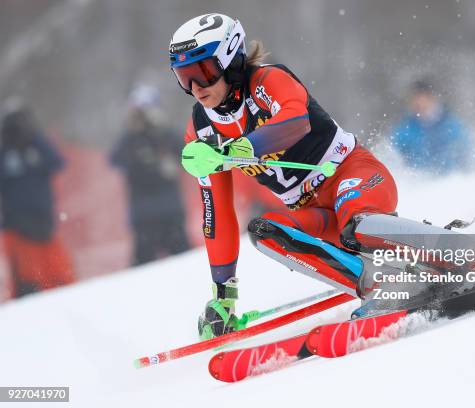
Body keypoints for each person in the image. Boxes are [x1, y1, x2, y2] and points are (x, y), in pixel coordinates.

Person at [170, 13, 398, 339]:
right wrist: (223, 296)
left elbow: (295, 122)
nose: (195, 88)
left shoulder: (267, 81)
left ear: (231, 60)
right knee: (265, 230)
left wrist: (239, 149)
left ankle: (401, 265)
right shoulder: (202, 131)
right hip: (316, 214)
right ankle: (373, 285)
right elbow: (217, 214)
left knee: (356, 225)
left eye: (202, 73)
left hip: (356, 177)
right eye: (183, 77)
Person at [0, 103, 74, 298]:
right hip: (17, 227)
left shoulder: (37, 145)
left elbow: (57, 162)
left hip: (43, 223)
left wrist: (34, 137)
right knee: (27, 282)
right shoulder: (4, 152)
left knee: (58, 276)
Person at [110, 85, 190, 266]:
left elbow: (185, 153)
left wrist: (161, 131)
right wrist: (132, 133)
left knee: (186, 265)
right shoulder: (130, 138)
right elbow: (114, 159)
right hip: (144, 216)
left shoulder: (166, 134)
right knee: (142, 273)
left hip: (170, 211)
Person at [391, 79, 475, 175]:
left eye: (421, 98)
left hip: (450, 181)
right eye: (413, 99)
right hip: (419, 183)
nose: (417, 103)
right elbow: (392, 155)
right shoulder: (405, 130)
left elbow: (470, 155)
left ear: (432, 98)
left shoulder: (451, 126)